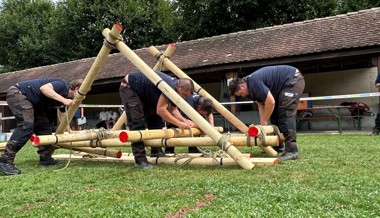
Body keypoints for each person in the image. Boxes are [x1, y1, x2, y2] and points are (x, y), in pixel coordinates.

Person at [0, 78, 83, 175]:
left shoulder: (64, 97)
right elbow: (44, 88)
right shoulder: (62, 85)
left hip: (33, 102)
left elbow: (63, 115)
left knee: (44, 127)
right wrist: (64, 100)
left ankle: (46, 159)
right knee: (26, 126)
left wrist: (69, 130)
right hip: (18, 93)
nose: (84, 96)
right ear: (77, 89)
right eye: (84, 93)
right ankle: (5, 160)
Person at [119, 71, 194, 169]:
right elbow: (161, 111)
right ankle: (140, 160)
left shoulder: (176, 89)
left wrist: (184, 120)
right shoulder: (170, 87)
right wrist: (179, 123)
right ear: (179, 87)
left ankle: (156, 151)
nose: (184, 98)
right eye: (184, 95)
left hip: (145, 94)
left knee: (156, 121)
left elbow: (173, 109)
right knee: (137, 123)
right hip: (130, 87)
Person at [228, 65, 305, 161]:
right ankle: (277, 145)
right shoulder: (250, 89)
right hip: (283, 86)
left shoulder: (253, 82)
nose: (242, 96)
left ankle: (292, 151)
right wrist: (262, 124)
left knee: (285, 114)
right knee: (274, 116)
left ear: (242, 86)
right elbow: (262, 105)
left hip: (293, 80)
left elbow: (271, 102)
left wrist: (264, 120)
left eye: (240, 93)